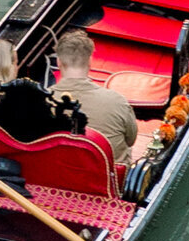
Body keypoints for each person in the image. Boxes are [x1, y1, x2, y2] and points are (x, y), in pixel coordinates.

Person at [52, 26, 137, 167]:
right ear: (90, 61)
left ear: (58, 62)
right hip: (105, 181)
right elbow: (131, 140)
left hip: (58, 175)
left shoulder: (40, 100)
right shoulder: (117, 101)